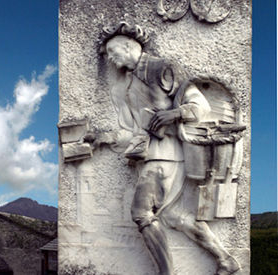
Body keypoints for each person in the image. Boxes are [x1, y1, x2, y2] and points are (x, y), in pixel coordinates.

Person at [97, 22, 240, 275]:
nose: (110, 58)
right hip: (149, 155)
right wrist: (103, 137)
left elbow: (200, 107)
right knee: (178, 218)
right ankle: (226, 260)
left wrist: (173, 114)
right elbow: (133, 130)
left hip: (166, 155)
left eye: (112, 51)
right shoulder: (125, 86)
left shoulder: (161, 68)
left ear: (128, 46)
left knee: (141, 213)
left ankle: (166, 273)